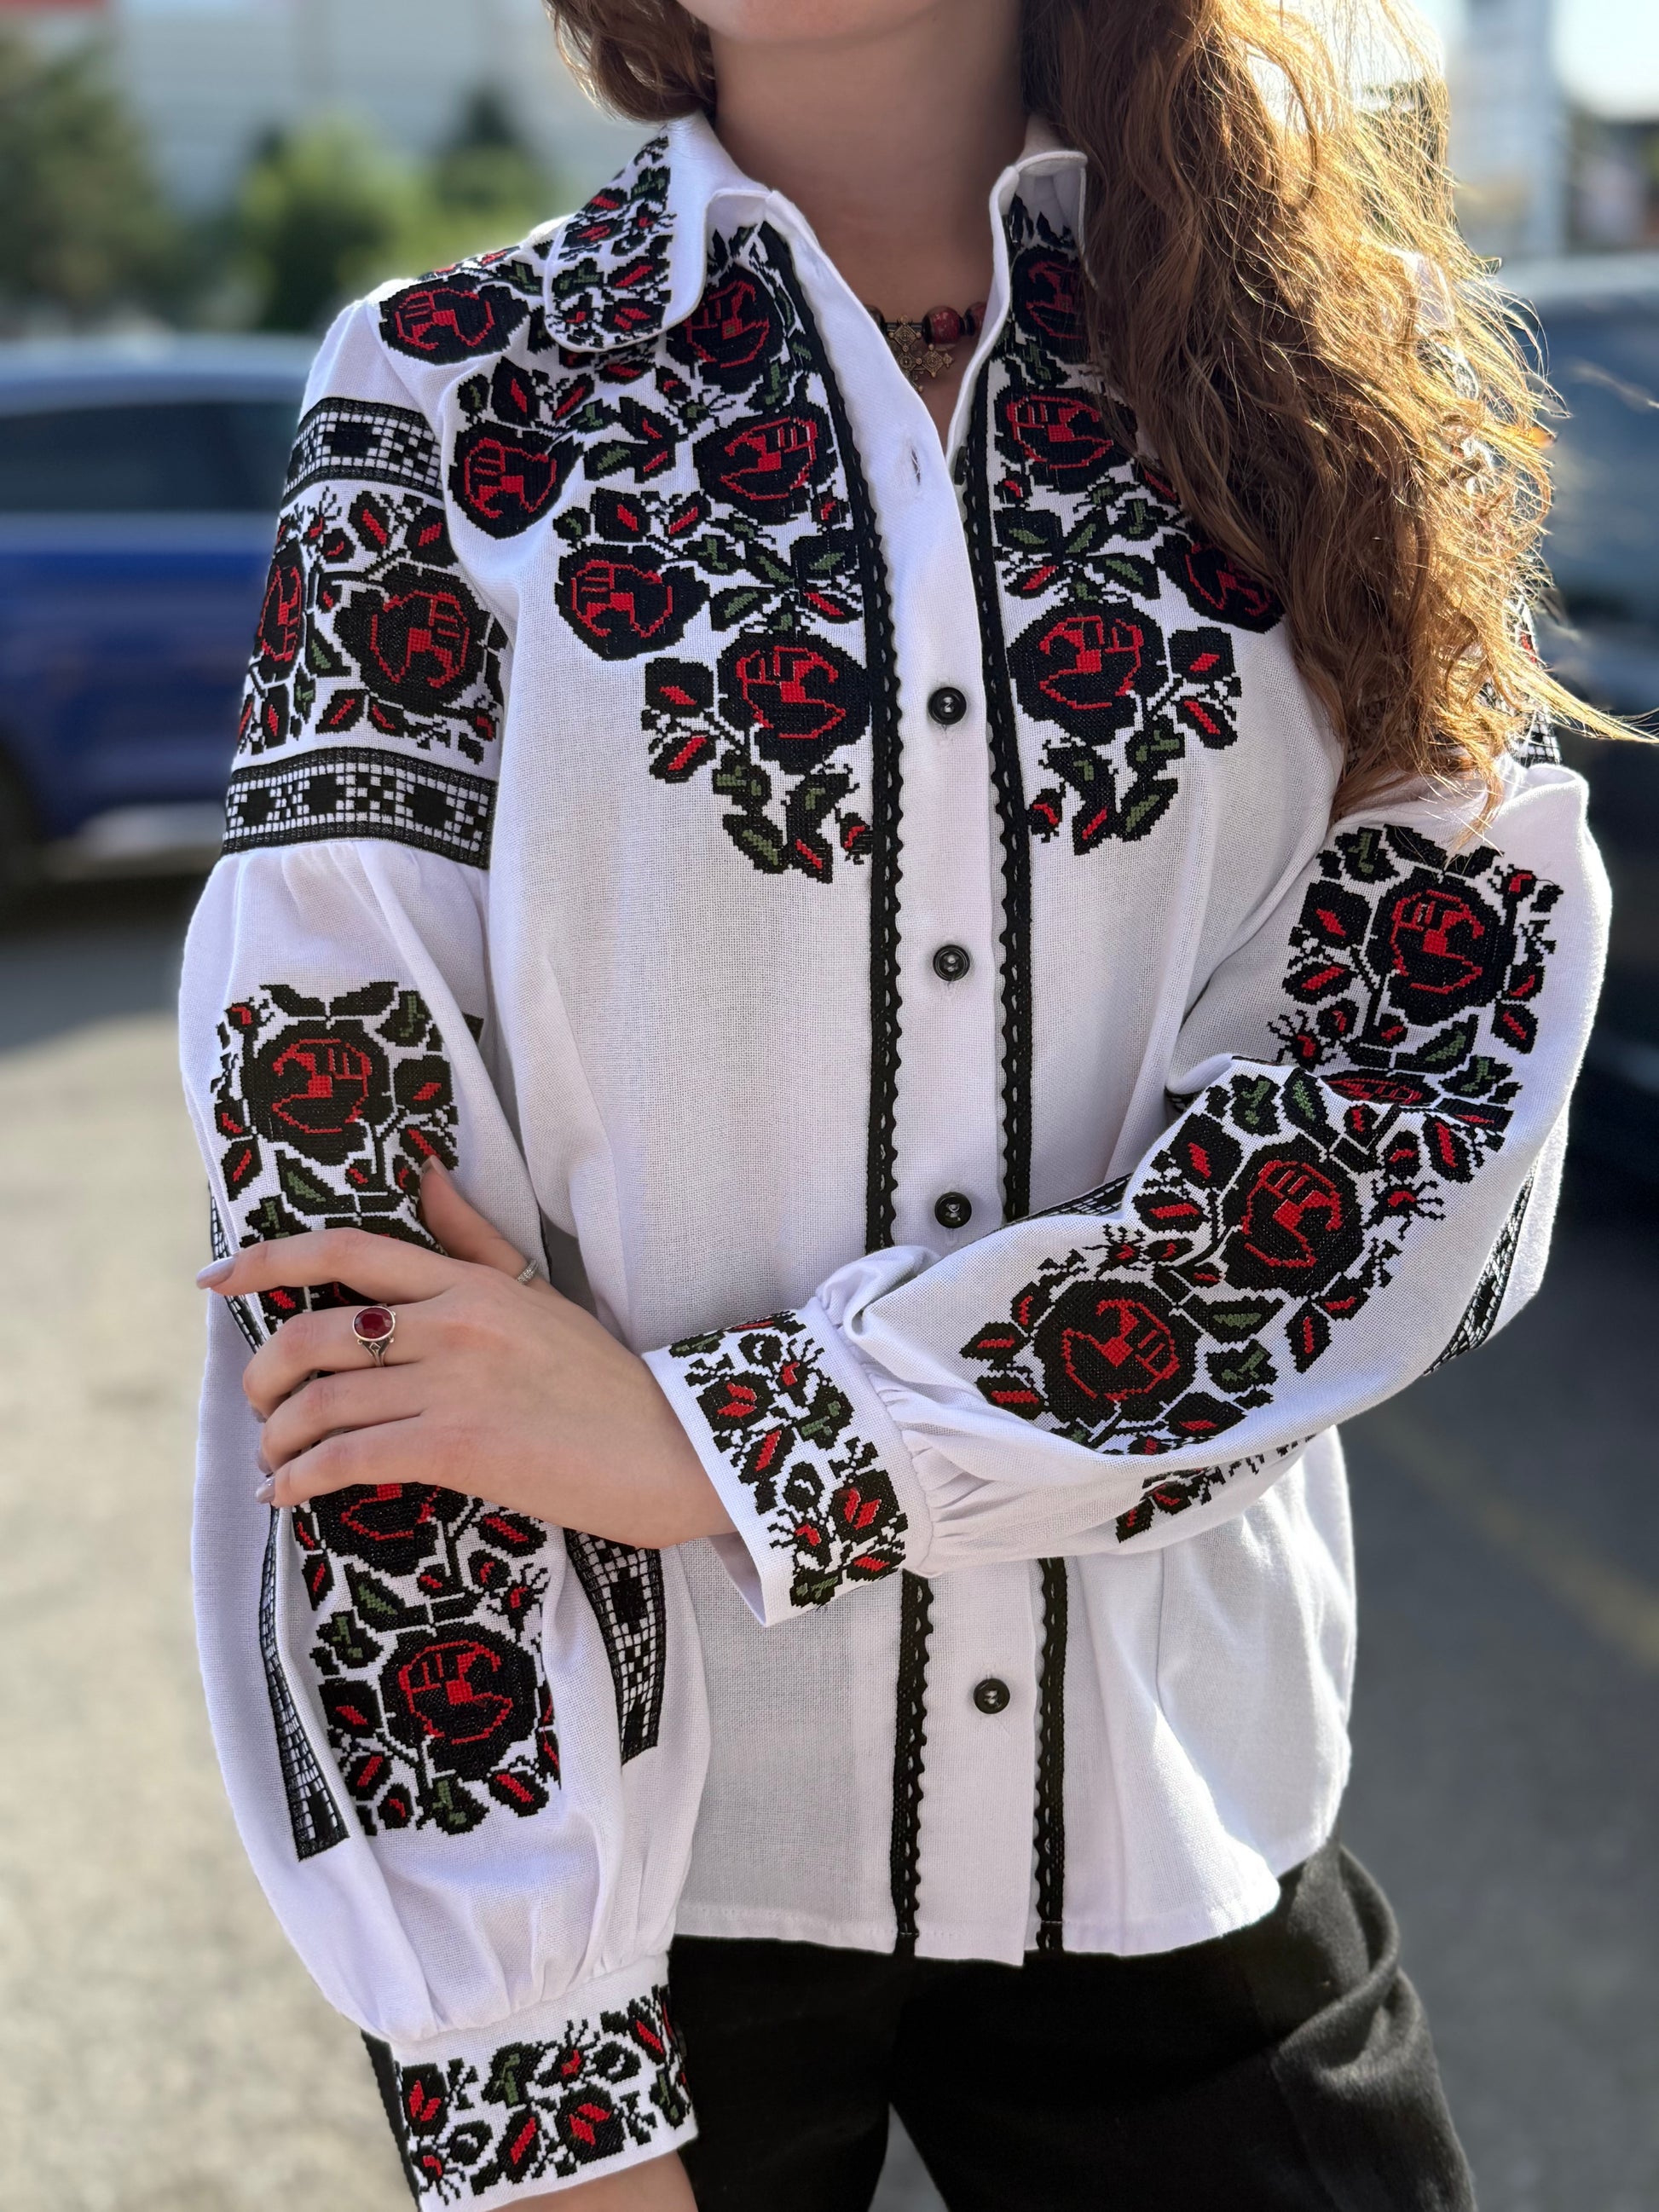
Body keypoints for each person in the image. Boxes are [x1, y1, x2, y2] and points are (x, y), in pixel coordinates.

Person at [181, 0, 1611, 2204]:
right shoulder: (451, 396)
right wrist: (519, 2066)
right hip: (642, 1898)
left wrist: (739, 1440)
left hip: (1175, 1835)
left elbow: (1412, 1103)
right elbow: (330, 1193)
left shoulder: (1344, 367)